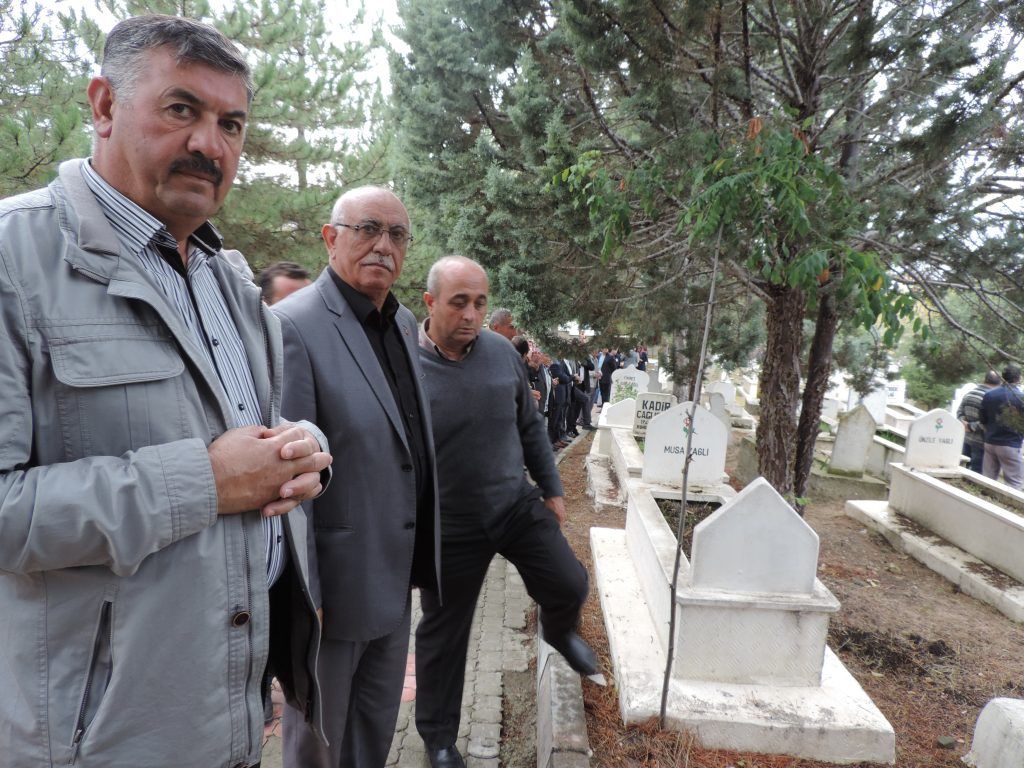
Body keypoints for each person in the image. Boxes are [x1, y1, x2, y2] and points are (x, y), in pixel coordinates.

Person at [0, 15, 333, 768]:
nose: (210, 145)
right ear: (104, 106)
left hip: (234, 723)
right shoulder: (14, 261)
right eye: (182, 109)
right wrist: (205, 482)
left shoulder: (229, 283)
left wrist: (299, 449)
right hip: (101, 744)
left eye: (231, 124)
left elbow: (233, 437)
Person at [274, 186, 441, 768]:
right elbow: (289, 478)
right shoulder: (293, 324)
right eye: (368, 228)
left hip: (393, 577)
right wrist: (307, 596)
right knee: (318, 745)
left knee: (373, 734)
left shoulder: (402, 322)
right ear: (330, 237)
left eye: (397, 235)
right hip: (333, 594)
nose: (383, 245)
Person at [414, 256, 596, 768]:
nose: (471, 315)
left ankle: (558, 631)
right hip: (449, 525)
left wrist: (552, 487)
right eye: (459, 303)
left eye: (480, 303)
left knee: (569, 582)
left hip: (513, 504)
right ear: (430, 302)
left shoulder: (499, 352)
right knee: (444, 636)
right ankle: (438, 739)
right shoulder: (405, 363)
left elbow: (530, 425)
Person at [979, 364, 1024, 488]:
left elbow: (982, 418)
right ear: (1018, 378)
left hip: (990, 441)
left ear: (1003, 377)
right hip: (1010, 443)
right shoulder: (1020, 398)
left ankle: (984, 499)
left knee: (987, 480)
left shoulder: (989, 395)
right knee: (1014, 482)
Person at [957, 370, 1000, 473]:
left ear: (984, 379)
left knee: (961, 469)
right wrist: (971, 426)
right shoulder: (992, 398)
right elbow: (988, 421)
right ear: (999, 383)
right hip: (980, 442)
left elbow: (959, 412)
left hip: (965, 439)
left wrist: (964, 424)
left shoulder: (970, 394)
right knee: (977, 473)